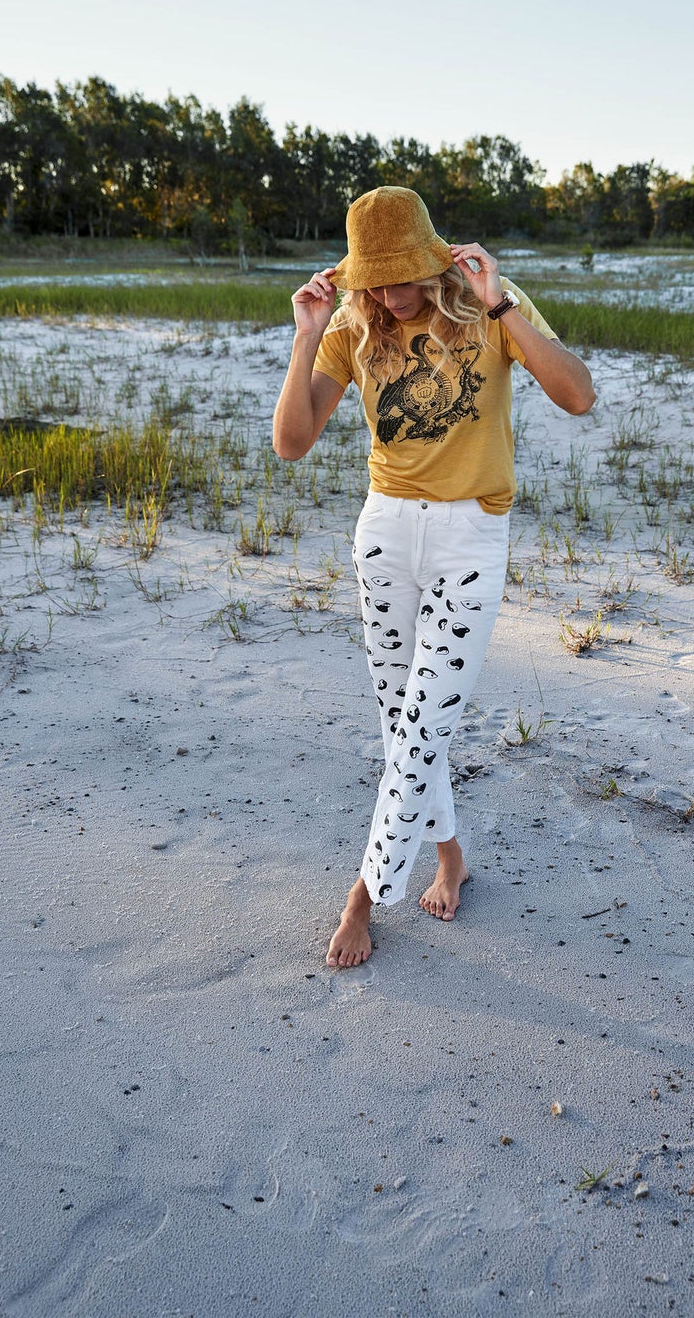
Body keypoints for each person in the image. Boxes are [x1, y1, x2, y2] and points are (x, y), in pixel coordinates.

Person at [271, 187, 596, 968]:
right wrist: (306, 335)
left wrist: (502, 308)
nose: (389, 295)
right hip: (385, 536)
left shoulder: (489, 303)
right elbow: (291, 443)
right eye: (374, 281)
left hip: (469, 539)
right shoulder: (351, 323)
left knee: (420, 730)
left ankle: (362, 898)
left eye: (401, 277)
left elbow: (579, 395)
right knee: (407, 727)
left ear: (430, 256)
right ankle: (449, 858)